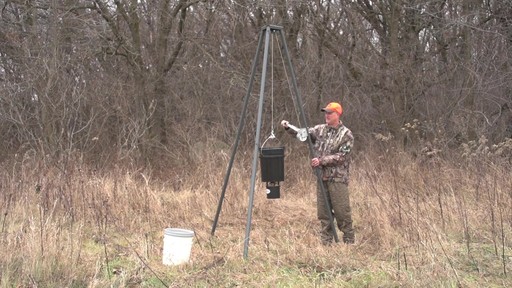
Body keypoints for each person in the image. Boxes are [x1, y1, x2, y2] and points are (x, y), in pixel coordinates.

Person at [281, 102, 355, 245]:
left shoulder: (347, 134)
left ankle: (349, 243)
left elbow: (342, 157)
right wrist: (288, 127)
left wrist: (321, 161)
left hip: (337, 179)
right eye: (325, 113)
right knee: (324, 214)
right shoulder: (319, 130)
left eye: (329, 113)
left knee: (342, 213)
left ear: (337, 115)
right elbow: (302, 134)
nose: (326, 115)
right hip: (321, 178)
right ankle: (326, 244)